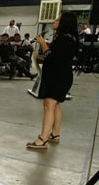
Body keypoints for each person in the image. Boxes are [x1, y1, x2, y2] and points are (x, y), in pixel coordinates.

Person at [27, 12, 79, 149]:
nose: (54, 21)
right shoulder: (65, 38)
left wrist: (44, 44)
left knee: (49, 104)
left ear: (64, 23)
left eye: (58, 20)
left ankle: (43, 138)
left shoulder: (66, 39)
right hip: (59, 75)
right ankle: (54, 134)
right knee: (55, 104)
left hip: (58, 76)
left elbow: (52, 57)